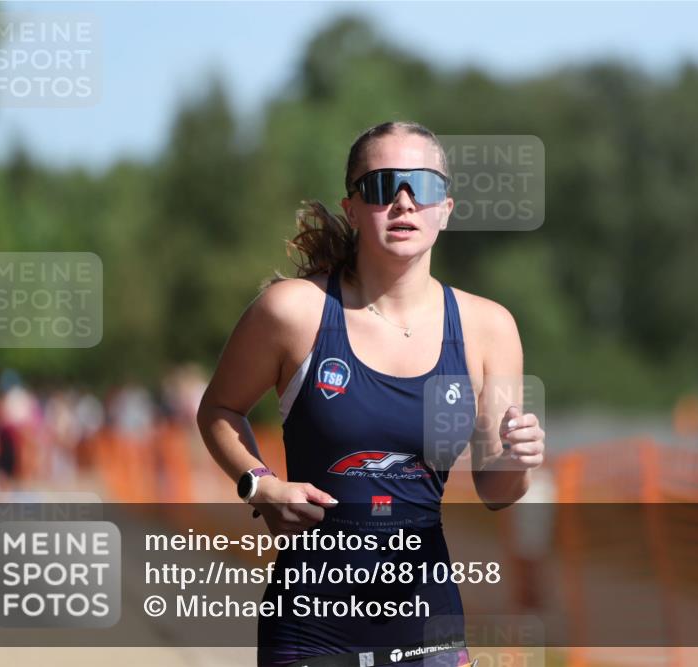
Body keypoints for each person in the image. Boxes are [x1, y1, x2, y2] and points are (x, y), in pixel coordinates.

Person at [196, 120, 546, 667]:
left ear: (445, 209)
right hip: (311, 628)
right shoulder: (294, 311)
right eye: (383, 185)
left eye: (422, 185)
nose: (404, 201)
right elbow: (218, 409)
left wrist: (518, 460)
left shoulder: (489, 327)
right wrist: (259, 484)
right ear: (353, 208)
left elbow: (496, 490)